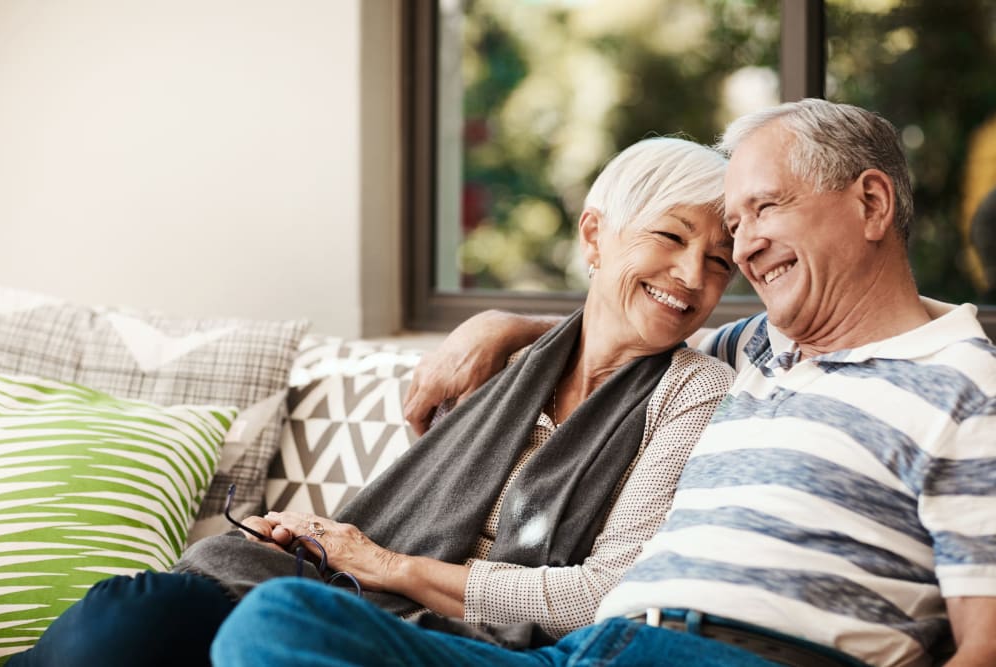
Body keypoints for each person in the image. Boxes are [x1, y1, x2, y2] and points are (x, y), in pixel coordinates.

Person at [210, 98, 996, 667]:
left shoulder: (966, 389)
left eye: (764, 210)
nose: (744, 250)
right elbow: (627, 323)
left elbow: (985, 645)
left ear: (870, 201)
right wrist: (503, 326)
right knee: (279, 620)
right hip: (591, 650)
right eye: (737, 225)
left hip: (747, 655)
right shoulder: (756, 345)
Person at [8, 137, 739, 666]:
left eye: (718, 261)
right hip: (329, 580)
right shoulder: (506, 357)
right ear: (595, 236)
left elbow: (596, 595)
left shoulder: (693, 390)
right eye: (670, 235)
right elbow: (592, 333)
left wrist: (378, 560)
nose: (690, 275)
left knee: (127, 638)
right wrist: (320, 542)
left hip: (430, 631)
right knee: (129, 616)